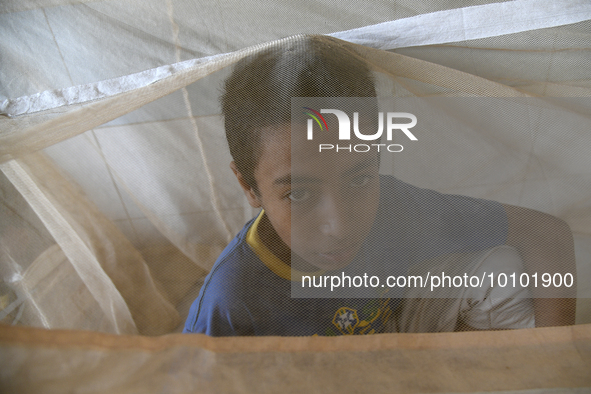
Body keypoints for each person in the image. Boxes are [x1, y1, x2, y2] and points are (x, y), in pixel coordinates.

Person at [183, 35, 576, 336]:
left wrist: (554, 362)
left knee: (503, 272)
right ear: (249, 187)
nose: (340, 225)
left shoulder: (396, 205)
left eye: (359, 178)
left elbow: (546, 232)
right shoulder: (233, 301)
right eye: (298, 194)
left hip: (394, 340)